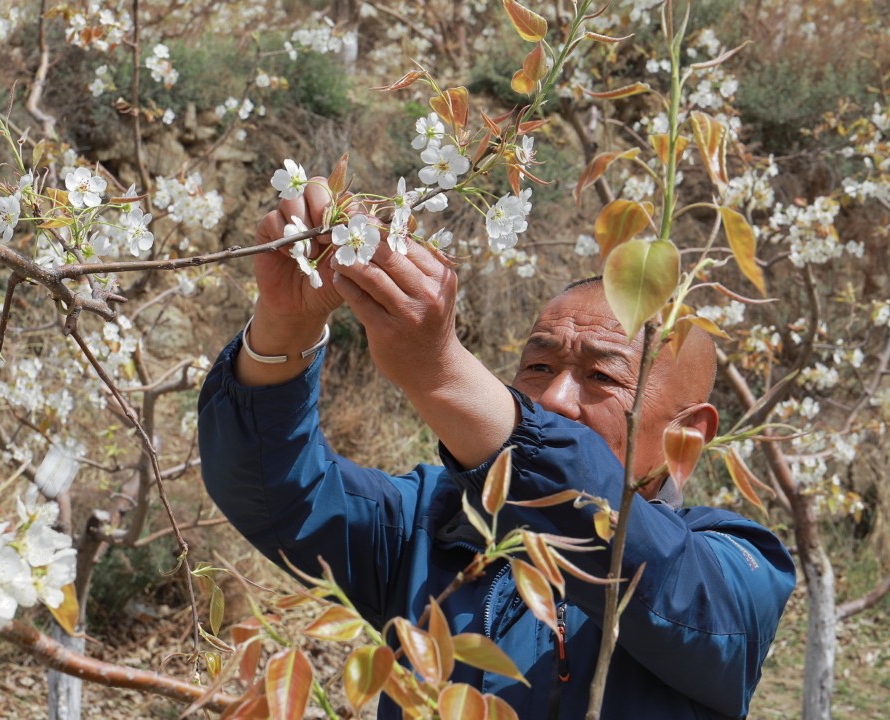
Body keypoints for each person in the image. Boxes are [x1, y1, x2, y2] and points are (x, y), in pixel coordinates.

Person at [198, 180, 795, 719]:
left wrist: (441, 372)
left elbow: (652, 570)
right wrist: (283, 325)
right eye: (538, 365)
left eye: (602, 378)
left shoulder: (738, 570)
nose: (556, 399)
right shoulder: (432, 524)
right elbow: (275, 492)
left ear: (689, 431)